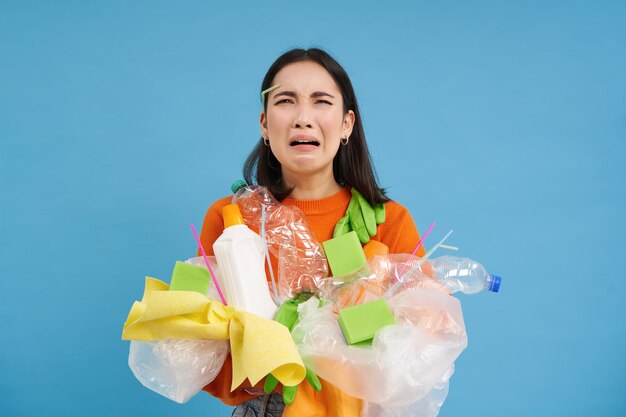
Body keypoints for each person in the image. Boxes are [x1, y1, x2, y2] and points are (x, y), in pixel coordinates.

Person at [198, 48, 426, 417]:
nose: (303, 118)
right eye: (286, 101)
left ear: (347, 124)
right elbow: (201, 348)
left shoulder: (389, 222)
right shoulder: (232, 218)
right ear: (264, 123)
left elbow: (420, 349)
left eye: (321, 101)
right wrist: (265, 361)